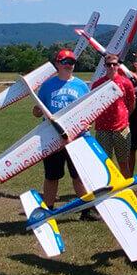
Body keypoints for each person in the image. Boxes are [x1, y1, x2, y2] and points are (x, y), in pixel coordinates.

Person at [34, 49, 93, 219]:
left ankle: (86, 210)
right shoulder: (47, 86)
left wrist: (88, 122)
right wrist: (37, 110)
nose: (68, 65)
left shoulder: (81, 86)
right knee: (52, 176)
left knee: (79, 175)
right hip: (53, 138)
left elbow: (88, 109)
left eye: (71, 62)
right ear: (57, 64)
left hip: (77, 137)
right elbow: (37, 112)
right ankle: (48, 210)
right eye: (65, 62)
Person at [90, 53, 136, 175]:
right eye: (109, 64)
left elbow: (131, 104)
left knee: (124, 162)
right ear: (105, 66)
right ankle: (109, 186)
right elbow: (93, 106)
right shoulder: (97, 84)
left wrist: (124, 117)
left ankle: (127, 186)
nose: (111, 67)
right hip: (102, 129)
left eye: (114, 64)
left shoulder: (126, 83)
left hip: (122, 128)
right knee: (105, 163)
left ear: (118, 65)